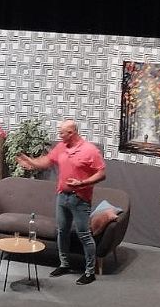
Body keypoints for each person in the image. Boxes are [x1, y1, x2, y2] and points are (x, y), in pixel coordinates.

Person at [17, 119, 106, 285]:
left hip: (80, 199)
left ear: (71, 133)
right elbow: (46, 161)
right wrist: (31, 162)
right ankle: (64, 264)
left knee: (84, 235)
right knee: (62, 231)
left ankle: (89, 272)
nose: (59, 135)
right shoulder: (61, 147)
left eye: (62, 133)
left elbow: (101, 173)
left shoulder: (90, 150)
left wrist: (83, 183)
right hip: (62, 196)